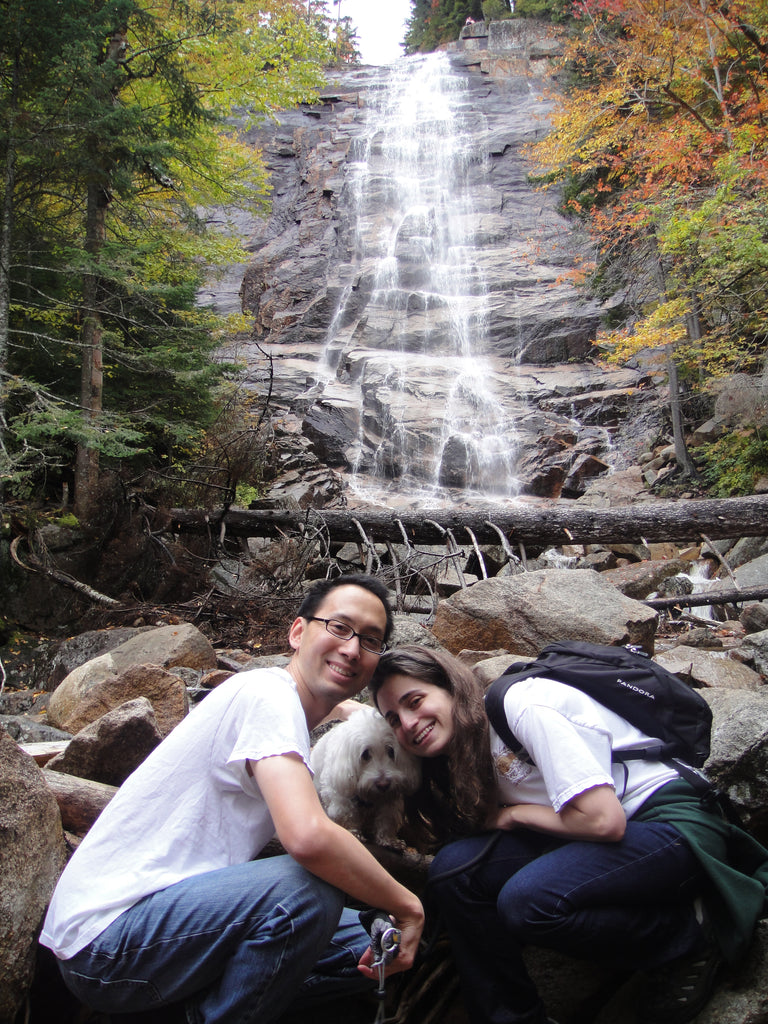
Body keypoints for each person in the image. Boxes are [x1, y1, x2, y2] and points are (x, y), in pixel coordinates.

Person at [40, 575, 424, 1024]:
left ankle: (188, 1007)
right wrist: (408, 905)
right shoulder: (267, 695)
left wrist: (346, 708)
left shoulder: (284, 709)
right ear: (298, 633)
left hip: (168, 924)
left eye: (370, 640)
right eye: (339, 628)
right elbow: (306, 837)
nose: (353, 648)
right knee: (309, 889)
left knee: (371, 937)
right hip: (106, 944)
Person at [370, 645, 768, 1024]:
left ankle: (691, 933)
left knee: (529, 901)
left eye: (415, 701)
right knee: (454, 872)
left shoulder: (522, 706)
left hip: (670, 823)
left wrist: (514, 817)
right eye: (392, 719)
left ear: (451, 688)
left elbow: (603, 822)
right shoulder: (465, 745)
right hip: (607, 835)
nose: (407, 724)